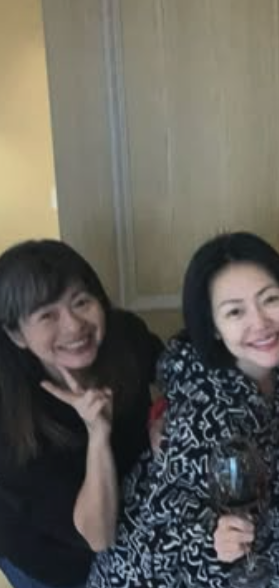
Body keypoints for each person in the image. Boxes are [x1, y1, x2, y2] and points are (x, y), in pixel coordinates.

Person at [88, 232, 279, 587]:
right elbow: (164, 525)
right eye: (235, 311)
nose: (260, 322)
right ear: (215, 328)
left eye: (270, 299)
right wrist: (211, 540)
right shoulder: (205, 412)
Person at [0, 240, 162, 588]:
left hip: (131, 526)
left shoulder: (125, 336)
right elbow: (98, 537)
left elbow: (174, 370)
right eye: (47, 315)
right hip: (52, 560)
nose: (74, 326)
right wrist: (98, 435)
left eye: (81, 302)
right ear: (16, 334)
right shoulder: (9, 417)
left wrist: (164, 412)